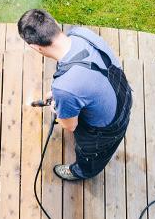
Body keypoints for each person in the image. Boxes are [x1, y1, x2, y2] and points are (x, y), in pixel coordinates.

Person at [17, 9, 132, 181]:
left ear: (35, 47)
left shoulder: (65, 88)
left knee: (91, 156)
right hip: (122, 94)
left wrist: (60, 104)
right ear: (54, 21)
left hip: (107, 129)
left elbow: (70, 126)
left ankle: (82, 171)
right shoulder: (81, 34)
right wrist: (63, 95)